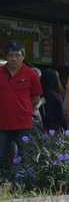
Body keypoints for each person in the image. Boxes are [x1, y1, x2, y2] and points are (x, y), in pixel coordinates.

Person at [1, 41, 43, 174]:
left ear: (23, 56)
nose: (13, 58)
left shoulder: (31, 74)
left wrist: (24, 109)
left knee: (27, 157)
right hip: (2, 124)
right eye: (10, 55)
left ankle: (26, 184)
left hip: (24, 124)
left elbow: (36, 98)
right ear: (6, 56)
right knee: (2, 159)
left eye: (17, 55)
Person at [39, 68, 67, 133]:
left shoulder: (40, 95)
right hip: (55, 129)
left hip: (43, 129)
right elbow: (61, 116)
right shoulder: (55, 97)